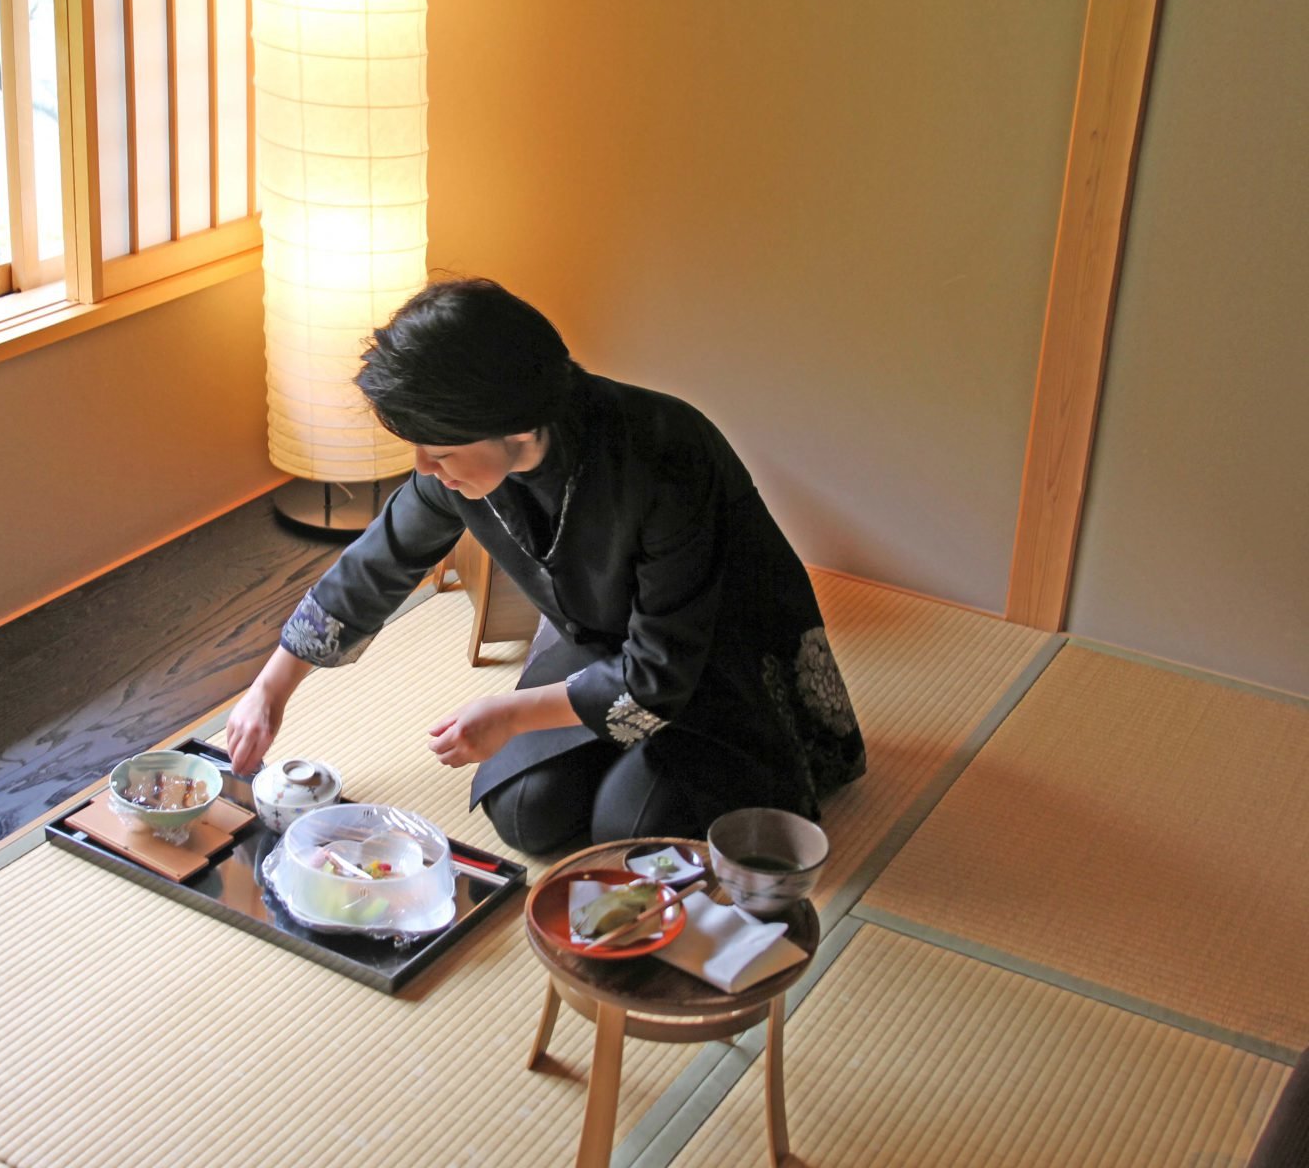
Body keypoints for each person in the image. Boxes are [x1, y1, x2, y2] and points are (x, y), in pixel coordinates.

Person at [225, 277, 864, 854]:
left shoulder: (666, 454)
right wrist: (270, 689)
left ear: (520, 430)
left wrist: (510, 713)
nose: (422, 467)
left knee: (630, 831)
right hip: (599, 647)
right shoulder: (463, 457)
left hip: (716, 661)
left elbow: (664, 671)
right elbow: (377, 564)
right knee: (526, 811)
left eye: (437, 451)